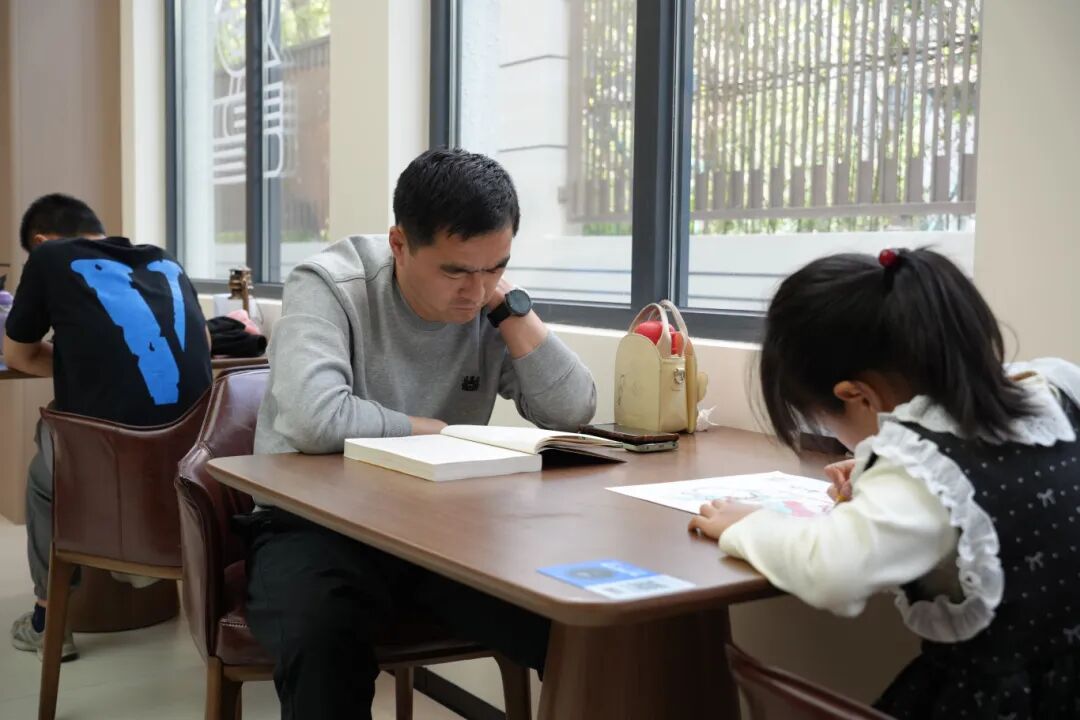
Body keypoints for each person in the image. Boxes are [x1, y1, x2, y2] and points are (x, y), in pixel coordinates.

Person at [246, 148, 597, 719]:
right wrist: (427, 429)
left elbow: (573, 409)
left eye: (496, 267)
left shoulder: (488, 305)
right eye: (455, 271)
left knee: (575, 623)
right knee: (322, 639)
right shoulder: (329, 284)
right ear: (399, 244)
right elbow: (314, 418)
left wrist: (510, 307)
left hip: (440, 529)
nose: (474, 291)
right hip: (314, 524)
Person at [688, 248, 1080, 719]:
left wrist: (747, 525)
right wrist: (884, 472)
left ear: (857, 395)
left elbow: (832, 570)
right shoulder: (1054, 386)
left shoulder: (917, 470)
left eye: (825, 421)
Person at [3, 193, 212, 660]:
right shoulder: (163, 259)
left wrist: (79, 364)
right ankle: (141, 555)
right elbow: (204, 343)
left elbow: (17, 354)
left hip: (116, 465)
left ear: (40, 241)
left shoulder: (50, 258)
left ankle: (48, 620)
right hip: (195, 460)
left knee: (45, 466)